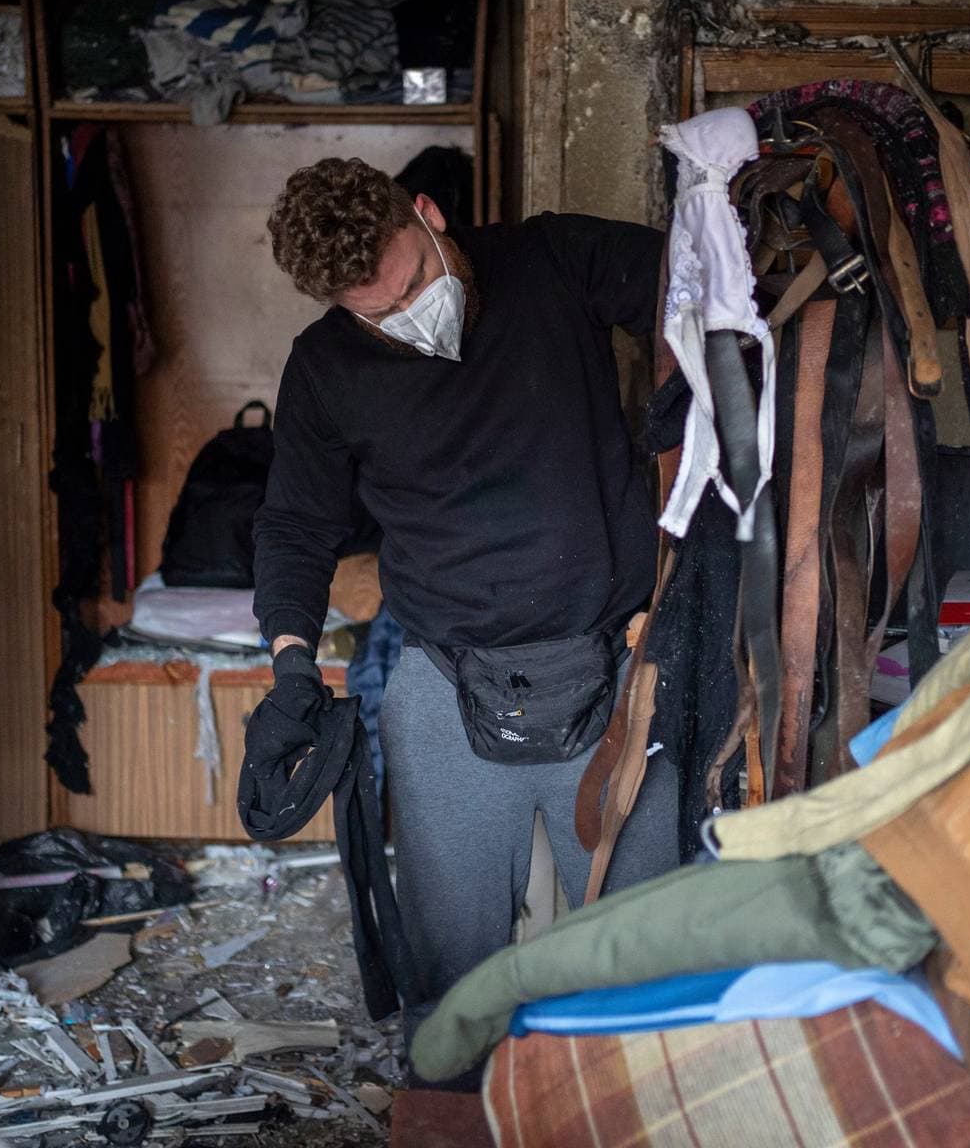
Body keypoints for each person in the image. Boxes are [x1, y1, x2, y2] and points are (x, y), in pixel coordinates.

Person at [251, 156, 682, 1067]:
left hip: (619, 661)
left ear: (428, 213)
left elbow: (700, 279)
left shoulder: (551, 259)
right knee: (450, 981)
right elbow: (296, 526)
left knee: (649, 959)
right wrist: (290, 662)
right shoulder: (325, 368)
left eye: (412, 283)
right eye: (378, 314)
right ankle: (451, 1110)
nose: (409, 316)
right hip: (446, 678)